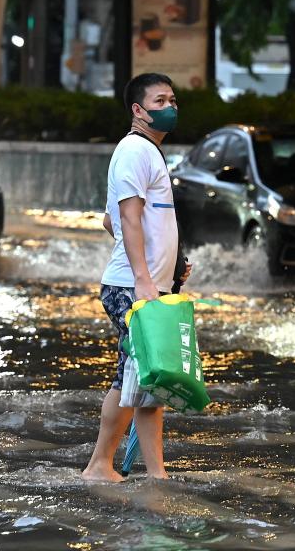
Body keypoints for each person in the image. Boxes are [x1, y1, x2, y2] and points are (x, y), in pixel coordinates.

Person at [82, 72, 191, 482]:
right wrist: (144, 278)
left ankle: (153, 473)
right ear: (138, 110)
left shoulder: (147, 152)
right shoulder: (134, 151)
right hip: (131, 285)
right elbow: (126, 218)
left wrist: (172, 263)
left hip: (147, 282)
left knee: (147, 381)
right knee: (138, 377)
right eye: (160, 101)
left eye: (173, 99)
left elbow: (111, 220)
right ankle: (100, 466)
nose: (170, 107)